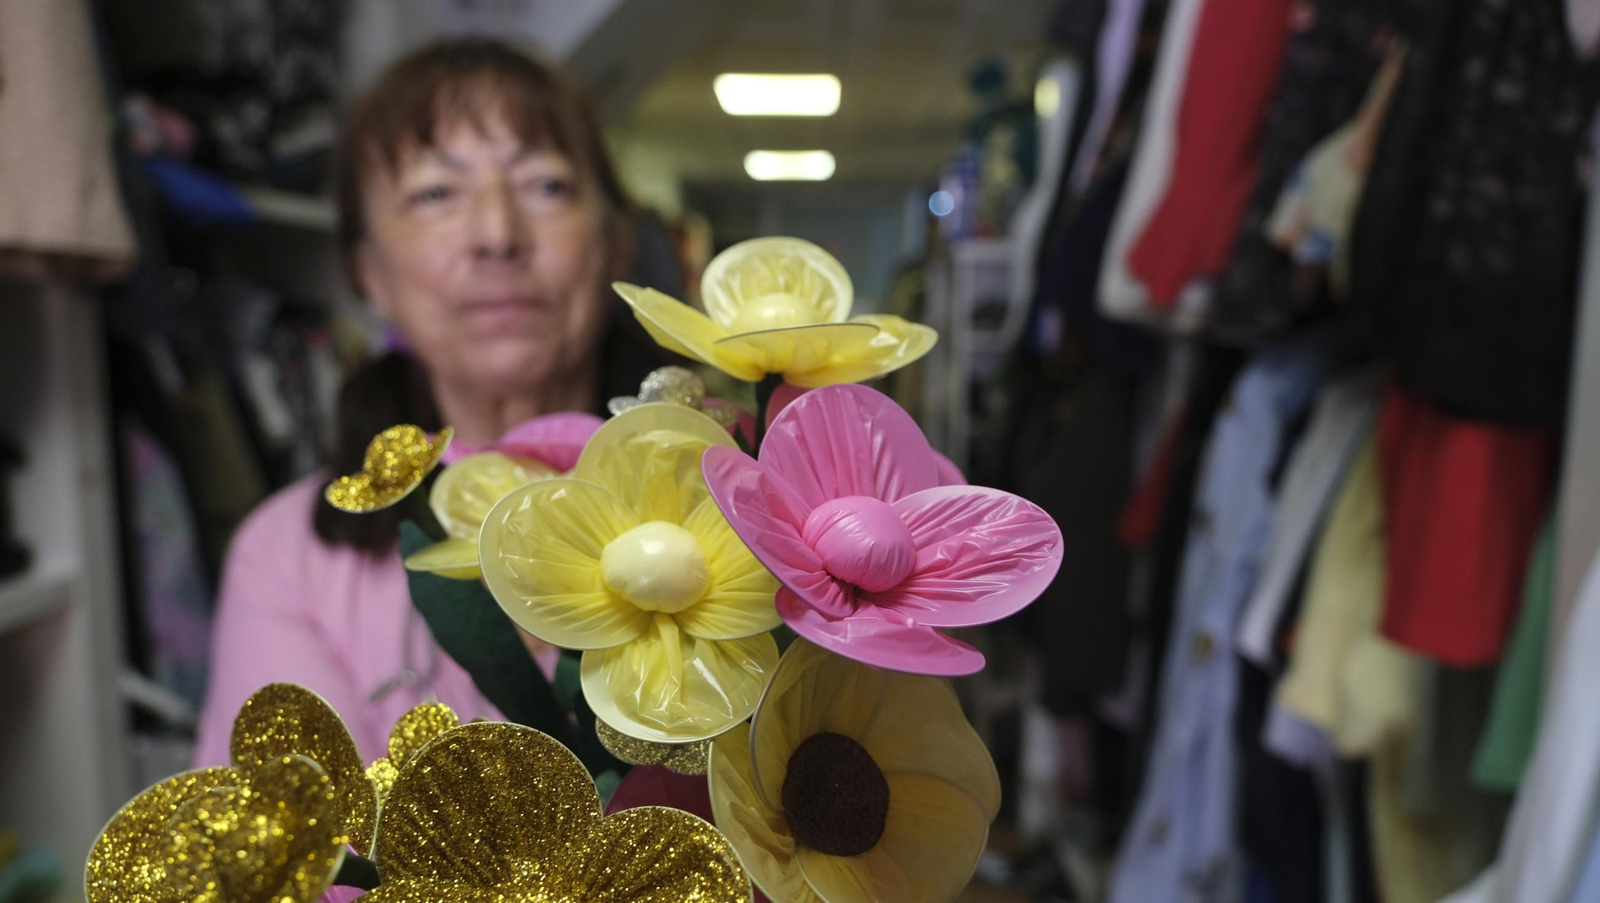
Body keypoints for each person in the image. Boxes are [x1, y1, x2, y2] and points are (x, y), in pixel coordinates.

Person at [193, 37, 671, 765]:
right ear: (368, 271)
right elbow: (301, 864)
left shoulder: (728, 510)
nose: (496, 235)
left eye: (545, 185)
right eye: (434, 194)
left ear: (613, 242)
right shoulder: (288, 555)